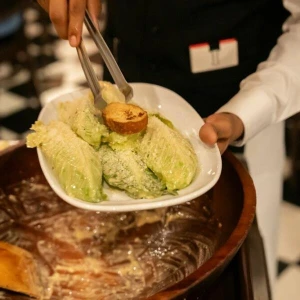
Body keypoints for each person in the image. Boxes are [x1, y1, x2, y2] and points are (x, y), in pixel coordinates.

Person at [39, 0, 300, 292]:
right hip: (127, 82)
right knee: (126, 275)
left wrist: (247, 111)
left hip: (242, 113)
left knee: (232, 274)